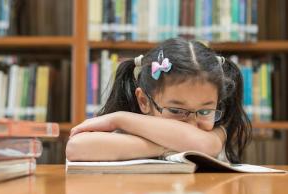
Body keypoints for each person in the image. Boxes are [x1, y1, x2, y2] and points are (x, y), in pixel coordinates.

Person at [66, 38, 252, 164]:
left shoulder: (220, 130)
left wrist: (120, 118)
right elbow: (76, 147)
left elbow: (203, 145)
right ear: (144, 101)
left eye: (204, 112)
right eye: (177, 111)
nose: (192, 124)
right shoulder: (132, 129)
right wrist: (178, 144)